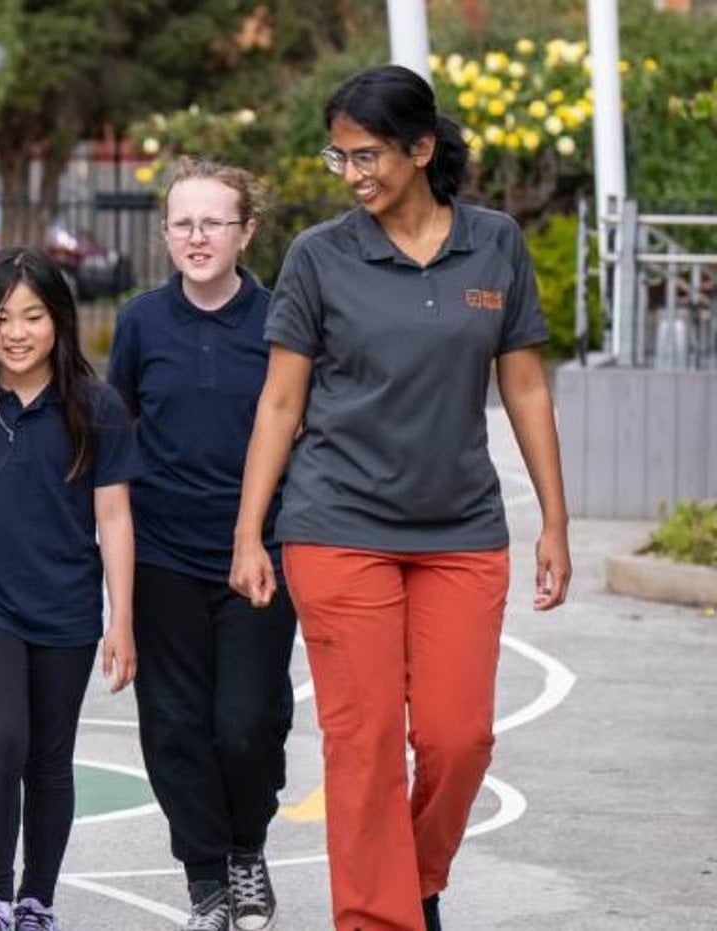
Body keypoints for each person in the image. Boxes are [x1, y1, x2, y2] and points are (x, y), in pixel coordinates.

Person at [230, 65, 572, 931]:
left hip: (461, 527)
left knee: (460, 741)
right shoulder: (319, 255)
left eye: (368, 154)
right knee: (365, 743)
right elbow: (280, 403)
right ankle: (379, 919)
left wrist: (555, 522)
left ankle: (412, 880)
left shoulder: (494, 245)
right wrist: (248, 533)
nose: (353, 174)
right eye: (340, 156)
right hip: (336, 526)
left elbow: (526, 390)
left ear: (422, 149)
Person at [107, 158, 297, 931]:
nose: (196, 236)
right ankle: (206, 874)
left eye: (213, 222)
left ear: (246, 231)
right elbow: (115, 435)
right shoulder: (140, 322)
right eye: (182, 223)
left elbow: (301, 428)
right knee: (176, 723)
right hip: (163, 555)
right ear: (165, 234)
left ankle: (247, 847)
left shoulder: (283, 319)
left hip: (259, 554)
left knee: (247, 721)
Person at [0, 247, 142, 931]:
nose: (16, 332)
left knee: (49, 757)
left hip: (68, 610)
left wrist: (122, 619)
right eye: (0, 318)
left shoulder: (97, 405)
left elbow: (113, 516)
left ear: (60, 321)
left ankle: (35, 901)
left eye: (33, 316)